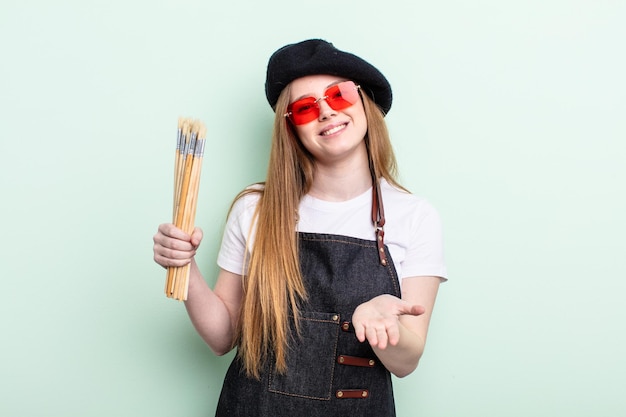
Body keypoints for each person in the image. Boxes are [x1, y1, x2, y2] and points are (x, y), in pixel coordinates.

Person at [153, 39, 447, 417]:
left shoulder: (415, 216)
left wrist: (381, 325)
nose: (325, 111)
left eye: (338, 95)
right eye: (305, 107)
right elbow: (222, 337)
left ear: (364, 104)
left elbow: (407, 362)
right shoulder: (254, 209)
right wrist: (184, 266)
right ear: (291, 128)